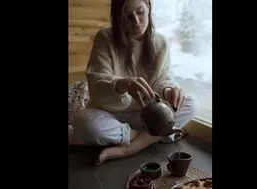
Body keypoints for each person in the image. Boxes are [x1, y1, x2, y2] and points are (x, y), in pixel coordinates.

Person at [72, 0, 200, 165]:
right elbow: (96, 82)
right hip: (111, 114)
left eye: (140, 12)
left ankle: (130, 148)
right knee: (83, 121)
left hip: (146, 116)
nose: (137, 22)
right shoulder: (105, 37)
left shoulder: (160, 42)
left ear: (148, 7)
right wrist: (121, 85)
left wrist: (168, 90)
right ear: (119, 18)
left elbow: (161, 78)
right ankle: (155, 136)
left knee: (191, 103)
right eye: (128, 17)